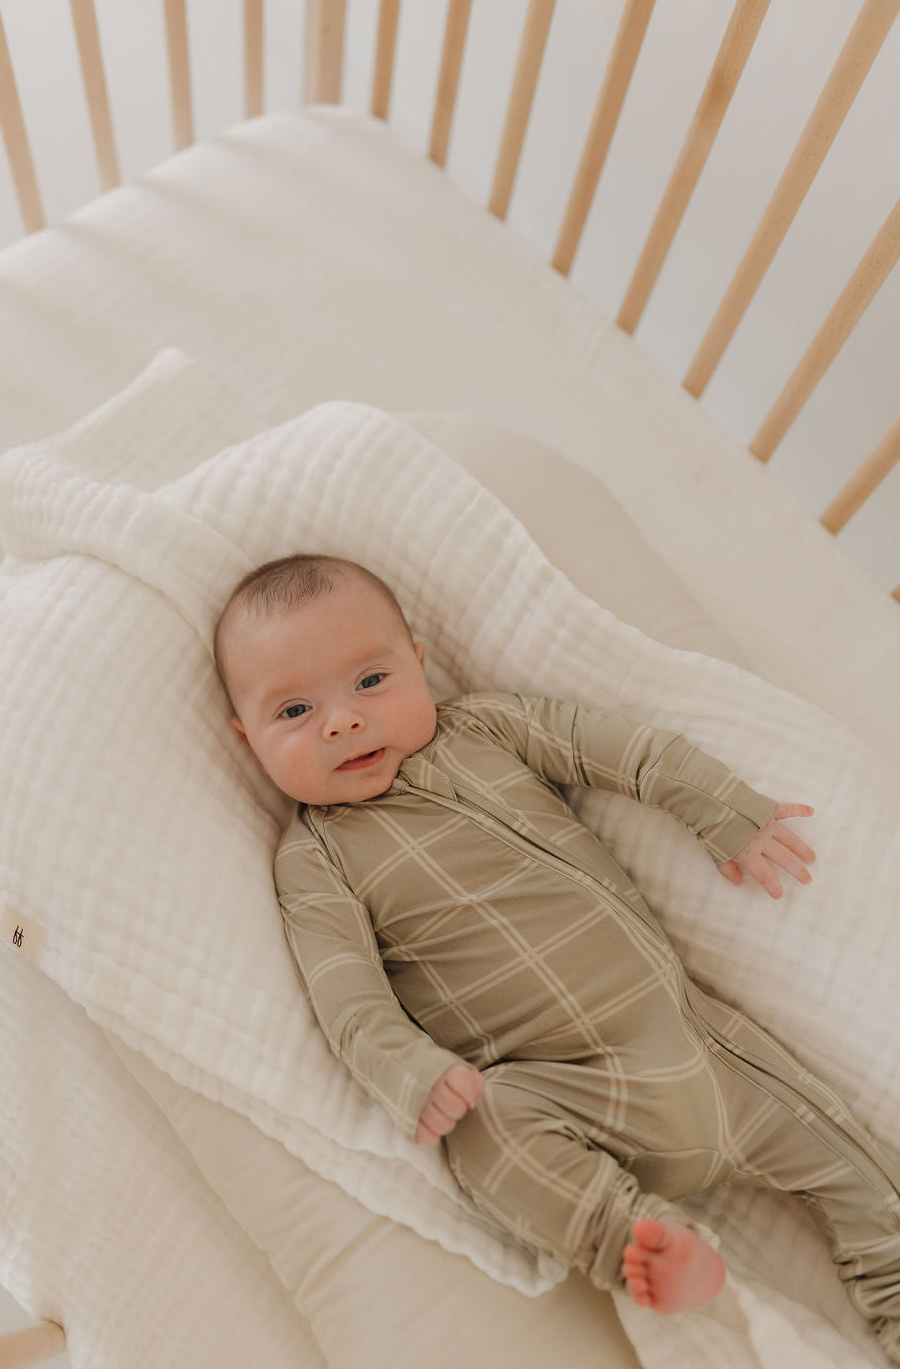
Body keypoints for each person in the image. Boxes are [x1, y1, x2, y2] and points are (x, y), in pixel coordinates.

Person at [215, 551, 900, 1352]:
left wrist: (722, 806)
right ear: (246, 740)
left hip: (708, 1049)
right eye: (294, 711)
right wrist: (411, 1071)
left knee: (858, 1171)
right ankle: (639, 1238)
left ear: (420, 663)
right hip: (566, 1093)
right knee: (482, 1125)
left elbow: (620, 749)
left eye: (371, 682)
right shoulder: (316, 858)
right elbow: (349, 1003)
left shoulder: (487, 727)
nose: (341, 720)